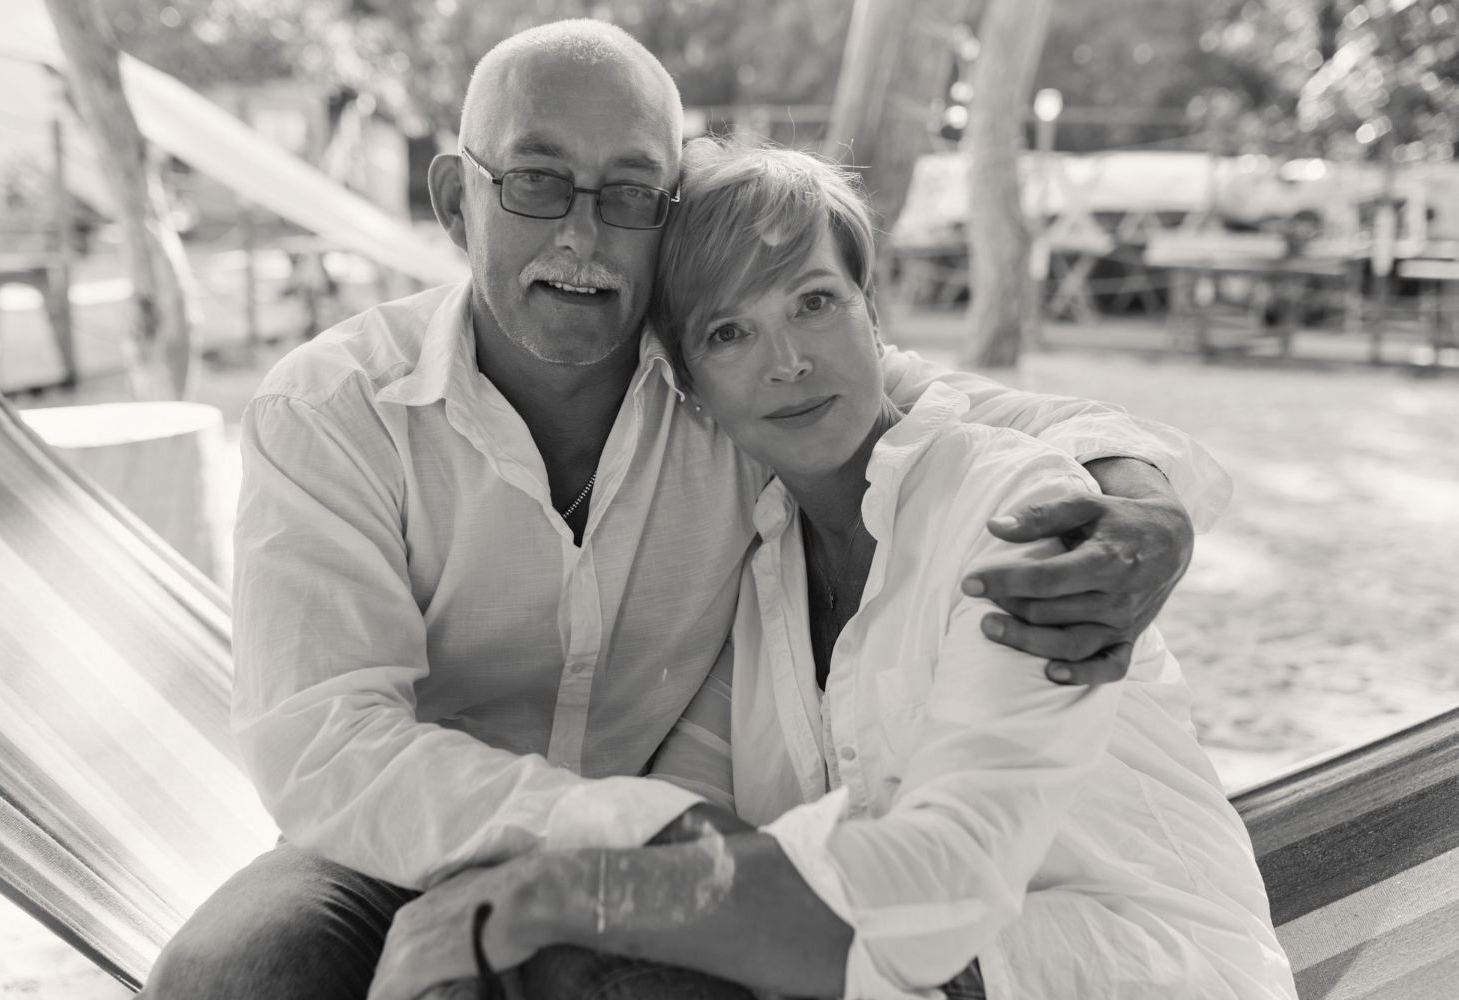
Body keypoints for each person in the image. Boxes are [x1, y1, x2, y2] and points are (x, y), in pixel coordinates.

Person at [140, 19, 1232, 999]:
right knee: (234, 970)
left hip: (693, 859)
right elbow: (327, 746)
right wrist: (624, 843)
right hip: (408, 839)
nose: (583, 234)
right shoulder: (336, 408)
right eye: (535, 181)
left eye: (628, 194)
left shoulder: (726, 389)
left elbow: (948, 410)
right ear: (451, 199)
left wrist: (1142, 495)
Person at [368, 139, 1294, 1000]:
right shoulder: (760, 575)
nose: (789, 363)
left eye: (814, 302)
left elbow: (946, 885)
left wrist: (548, 898)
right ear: (689, 389)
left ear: (873, 317)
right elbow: (692, 816)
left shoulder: (1017, 516)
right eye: (730, 333)